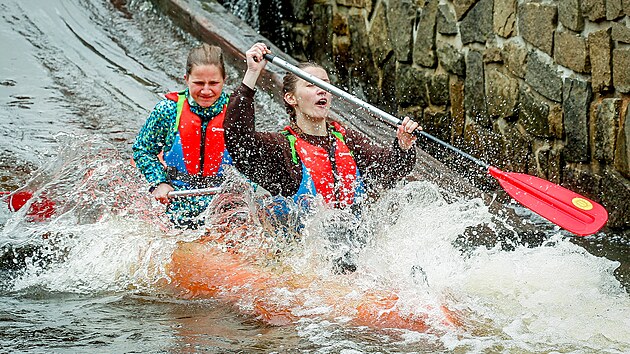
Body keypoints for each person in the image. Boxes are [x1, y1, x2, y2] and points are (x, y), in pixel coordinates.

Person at [224, 43, 421, 273]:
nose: (322, 90)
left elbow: (390, 171)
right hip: (305, 268)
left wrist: (403, 146)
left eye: (326, 86)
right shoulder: (282, 149)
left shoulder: (347, 140)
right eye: (311, 85)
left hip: (355, 258)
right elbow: (239, 141)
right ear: (291, 98)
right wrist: (252, 74)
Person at [132, 43, 232, 229]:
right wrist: (159, 183)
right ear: (186, 79)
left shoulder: (236, 112)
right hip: (176, 201)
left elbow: (252, 159)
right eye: (199, 83)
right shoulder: (167, 110)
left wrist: (243, 190)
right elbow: (142, 150)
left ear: (224, 80)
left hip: (222, 204)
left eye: (213, 83)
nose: (206, 90)